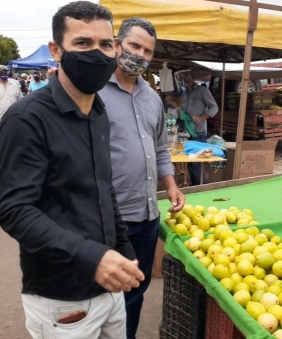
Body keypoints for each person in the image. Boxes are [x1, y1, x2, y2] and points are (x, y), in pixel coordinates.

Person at [0, 2, 146, 339]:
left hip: (109, 288)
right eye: (83, 43)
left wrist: (123, 251)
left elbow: (103, 189)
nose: (97, 53)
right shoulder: (26, 119)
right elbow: (15, 211)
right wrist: (92, 257)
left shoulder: (98, 112)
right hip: (62, 299)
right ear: (56, 50)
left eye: (106, 44)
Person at [98, 17, 185, 339]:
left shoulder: (152, 97)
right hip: (108, 217)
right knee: (101, 296)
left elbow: (161, 149)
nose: (140, 55)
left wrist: (171, 185)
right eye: (134, 45)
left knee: (135, 292)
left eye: (147, 50)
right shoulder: (94, 91)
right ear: (117, 44)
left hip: (147, 216)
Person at [177, 69, 218, 185]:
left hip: (198, 132)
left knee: (197, 163)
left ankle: (200, 187)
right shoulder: (185, 93)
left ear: (189, 76)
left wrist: (202, 117)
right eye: (179, 78)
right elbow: (184, 110)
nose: (181, 80)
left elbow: (214, 107)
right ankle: (194, 186)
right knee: (190, 161)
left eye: (182, 77)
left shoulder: (202, 91)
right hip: (187, 133)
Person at [0, 65, 22, 129]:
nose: (4, 74)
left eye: (6, 72)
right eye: (2, 72)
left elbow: (21, 102)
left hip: (14, 118)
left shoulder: (15, 85)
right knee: (1, 138)